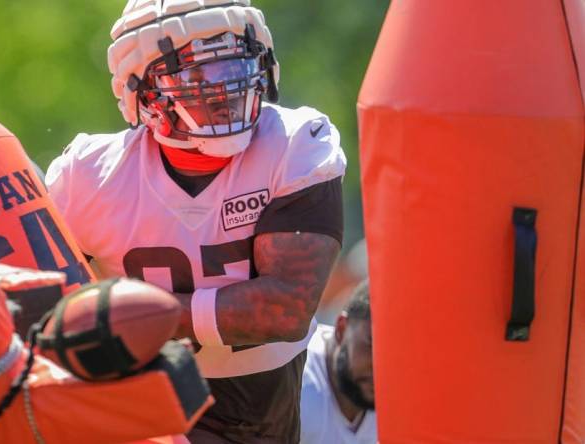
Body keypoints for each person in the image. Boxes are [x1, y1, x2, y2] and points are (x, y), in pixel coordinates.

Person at [46, 0, 346, 441]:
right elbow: (38, 298)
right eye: (195, 75)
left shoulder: (295, 144)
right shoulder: (87, 176)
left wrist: (135, 317)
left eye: (235, 66)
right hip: (144, 395)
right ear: (142, 90)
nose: (224, 89)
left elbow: (286, 307)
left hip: (270, 401)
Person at [300, 280, 376, 444]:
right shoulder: (299, 386)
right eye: (372, 345)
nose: (380, 368)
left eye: (393, 356)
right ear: (342, 329)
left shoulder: (406, 401)